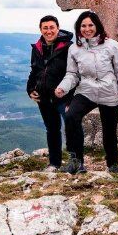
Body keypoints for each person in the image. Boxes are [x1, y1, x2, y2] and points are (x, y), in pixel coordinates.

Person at [55, 10, 118, 175]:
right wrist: (63, 87)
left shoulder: (111, 45)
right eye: (83, 25)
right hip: (87, 90)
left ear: (97, 26)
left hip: (109, 92)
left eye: (90, 25)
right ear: (78, 28)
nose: (87, 28)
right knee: (71, 116)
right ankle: (76, 161)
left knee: (109, 130)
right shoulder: (75, 49)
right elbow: (72, 74)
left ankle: (113, 164)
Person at [26, 15, 74, 170]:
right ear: (41, 29)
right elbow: (34, 71)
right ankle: (54, 163)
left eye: (51, 27)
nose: (49, 31)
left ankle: (75, 162)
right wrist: (30, 89)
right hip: (44, 98)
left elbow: (74, 73)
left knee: (71, 127)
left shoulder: (69, 47)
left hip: (64, 97)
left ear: (58, 28)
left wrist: (71, 96)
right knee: (52, 130)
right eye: (45, 28)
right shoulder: (37, 48)